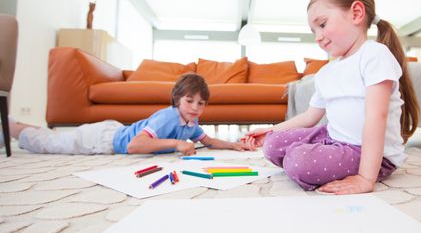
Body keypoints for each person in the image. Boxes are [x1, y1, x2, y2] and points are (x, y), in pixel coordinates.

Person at [242, 0, 419, 195]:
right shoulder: (326, 72)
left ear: (356, 13)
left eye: (322, 24)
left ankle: (306, 159)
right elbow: (309, 117)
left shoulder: (374, 55)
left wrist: (365, 178)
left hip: (369, 152)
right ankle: (303, 156)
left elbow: (377, 117)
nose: (318, 37)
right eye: (313, 31)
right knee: (272, 144)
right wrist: (270, 130)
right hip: (334, 139)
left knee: (300, 161)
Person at [4, 73, 253, 155]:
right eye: (190, 101)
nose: (195, 108)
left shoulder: (191, 123)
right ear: (177, 100)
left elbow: (208, 141)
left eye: (201, 103)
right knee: (47, 144)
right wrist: (177, 143)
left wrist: (234, 145)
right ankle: (9, 126)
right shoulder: (168, 116)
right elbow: (135, 145)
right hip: (103, 139)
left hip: (113, 130)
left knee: (52, 138)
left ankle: (13, 124)